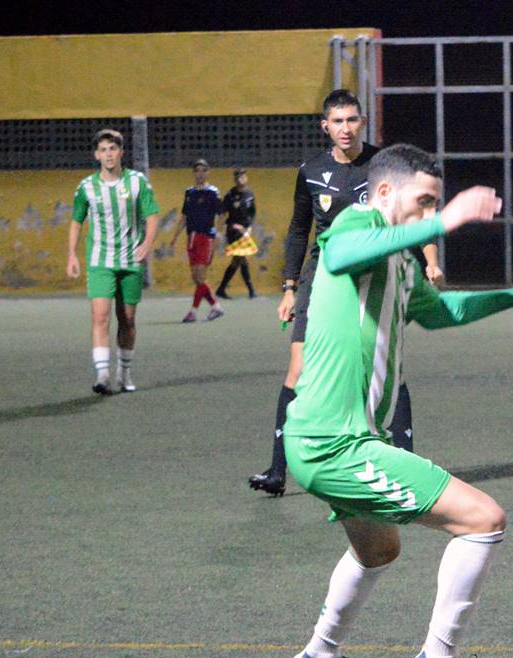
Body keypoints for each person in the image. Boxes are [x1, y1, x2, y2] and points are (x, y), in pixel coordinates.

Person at [282, 143, 513, 658]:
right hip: (333, 443)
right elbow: (339, 256)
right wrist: (450, 217)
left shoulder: (400, 258)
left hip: (335, 441)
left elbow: (442, 312)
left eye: (435, 205)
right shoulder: (356, 221)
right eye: (422, 203)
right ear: (386, 193)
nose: (428, 216)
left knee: (378, 551)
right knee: (482, 520)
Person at [249, 90, 443, 497]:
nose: (345, 128)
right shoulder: (311, 171)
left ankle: (405, 463)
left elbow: (419, 211)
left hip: (374, 274)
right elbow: (299, 230)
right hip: (322, 278)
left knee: (385, 364)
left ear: (362, 122)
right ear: (325, 126)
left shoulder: (383, 166)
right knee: (298, 370)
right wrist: (288, 288)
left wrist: (430, 258)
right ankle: (276, 470)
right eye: (337, 121)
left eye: (352, 120)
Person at [66, 128, 159, 394]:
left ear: (121, 152)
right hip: (100, 260)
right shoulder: (86, 187)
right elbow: (76, 221)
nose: (108, 154)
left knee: (127, 319)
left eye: (113, 149)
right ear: (97, 154)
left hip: (130, 260)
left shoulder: (137, 182)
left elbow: (152, 216)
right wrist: (72, 254)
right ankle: (102, 375)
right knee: (100, 316)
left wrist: (147, 243)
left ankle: (124, 372)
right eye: (103, 150)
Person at [169, 158, 226, 322]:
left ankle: (193, 312)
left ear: (208, 172)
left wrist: (218, 234)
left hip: (206, 238)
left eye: (203, 170)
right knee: (196, 278)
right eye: (197, 170)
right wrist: (175, 237)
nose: (200, 173)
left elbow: (221, 215)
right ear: (194, 173)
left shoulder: (213, 192)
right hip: (191, 238)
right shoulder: (190, 192)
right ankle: (216, 307)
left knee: (200, 276)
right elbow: (184, 216)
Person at [215, 168, 257, 299]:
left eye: (243, 177)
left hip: (245, 231)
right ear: (235, 179)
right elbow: (222, 214)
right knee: (241, 258)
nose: (240, 179)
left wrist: (249, 228)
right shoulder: (230, 195)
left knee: (237, 261)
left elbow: (252, 214)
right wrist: (220, 229)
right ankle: (251, 291)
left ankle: (221, 289)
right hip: (233, 231)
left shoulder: (250, 194)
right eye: (238, 177)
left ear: (246, 178)